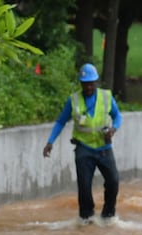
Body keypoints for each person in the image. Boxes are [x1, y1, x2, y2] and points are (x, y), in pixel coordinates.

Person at [43, 63, 122, 225]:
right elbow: (60, 122)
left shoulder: (106, 97)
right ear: (81, 83)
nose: (88, 87)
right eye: (85, 83)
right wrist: (50, 141)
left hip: (104, 149)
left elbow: (117, 116)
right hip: (84, 149)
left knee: (113, 182)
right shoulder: (73, 100)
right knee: (84, 186)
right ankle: (86, 218)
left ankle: (108, 216)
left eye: (91, 83)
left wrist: (113, 129)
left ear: (96, 82)